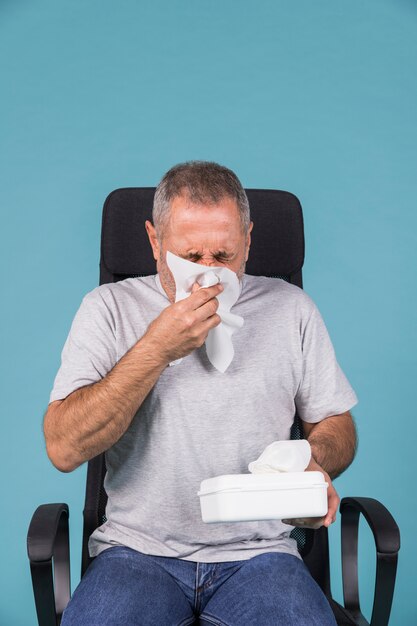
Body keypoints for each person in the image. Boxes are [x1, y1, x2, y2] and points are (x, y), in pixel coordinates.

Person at [44, 161, 358, 626]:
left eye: (224, 256)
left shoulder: (292, 310)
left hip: (261, 554)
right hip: (137, 552)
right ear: (155, 242)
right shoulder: (108, 309)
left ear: (248, 240)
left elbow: (338, 426)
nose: (209, 276)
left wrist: (314, 461)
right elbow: (64, 447)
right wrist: (156, 348)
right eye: (191, 257)